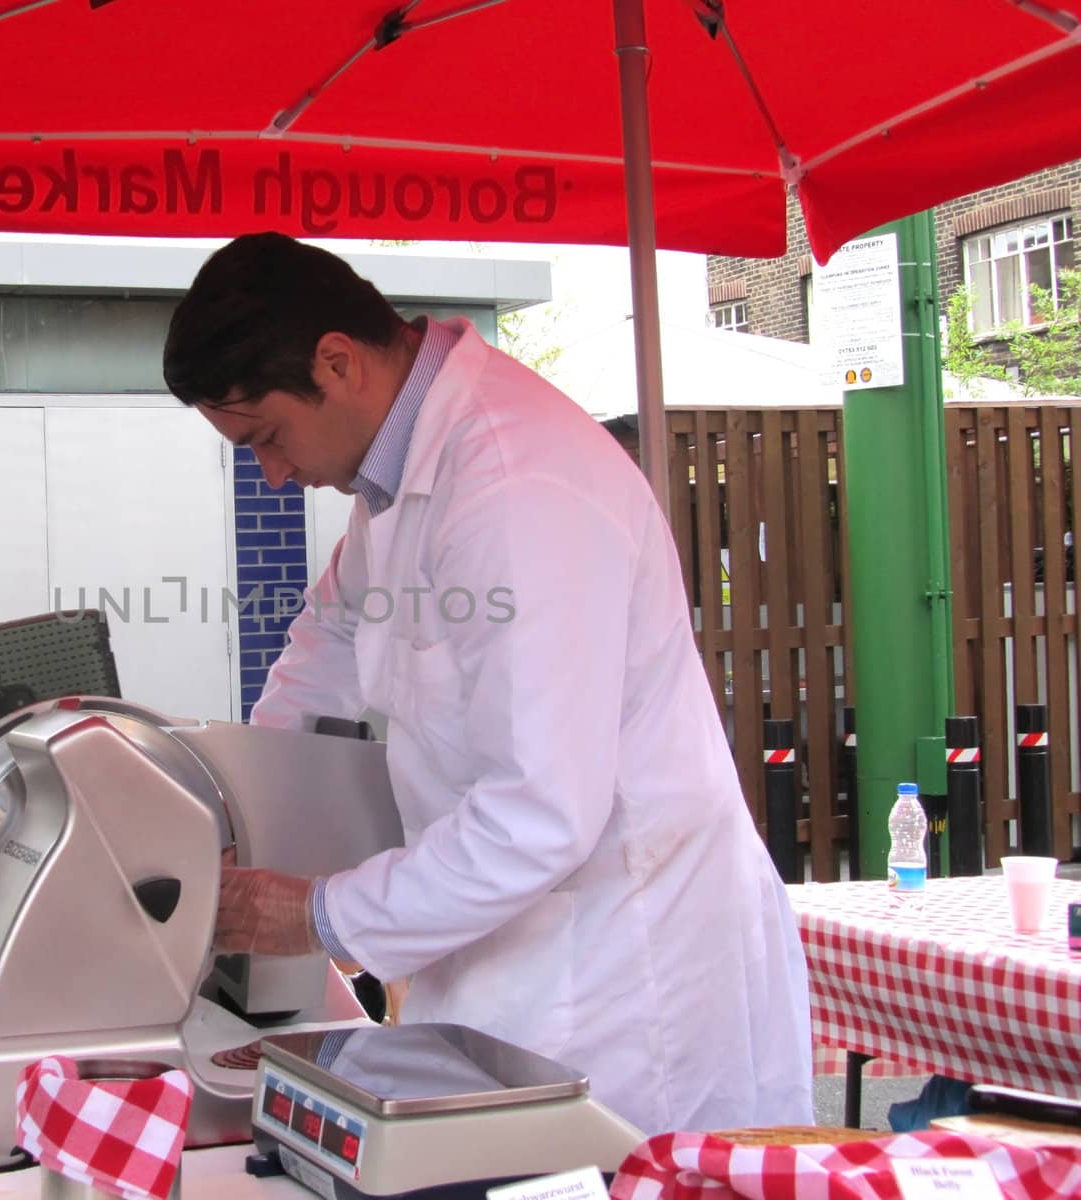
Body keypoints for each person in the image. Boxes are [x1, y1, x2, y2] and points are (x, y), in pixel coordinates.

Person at [162, 233, 813, 1135]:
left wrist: (314, 911)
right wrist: (227, 801)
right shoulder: (398, 476)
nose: (273, 475)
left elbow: (540, 811)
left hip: (620, 971)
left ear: (338, 362)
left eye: (266, 437)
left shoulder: (516, 482)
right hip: (514, 954)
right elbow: (328, 644)